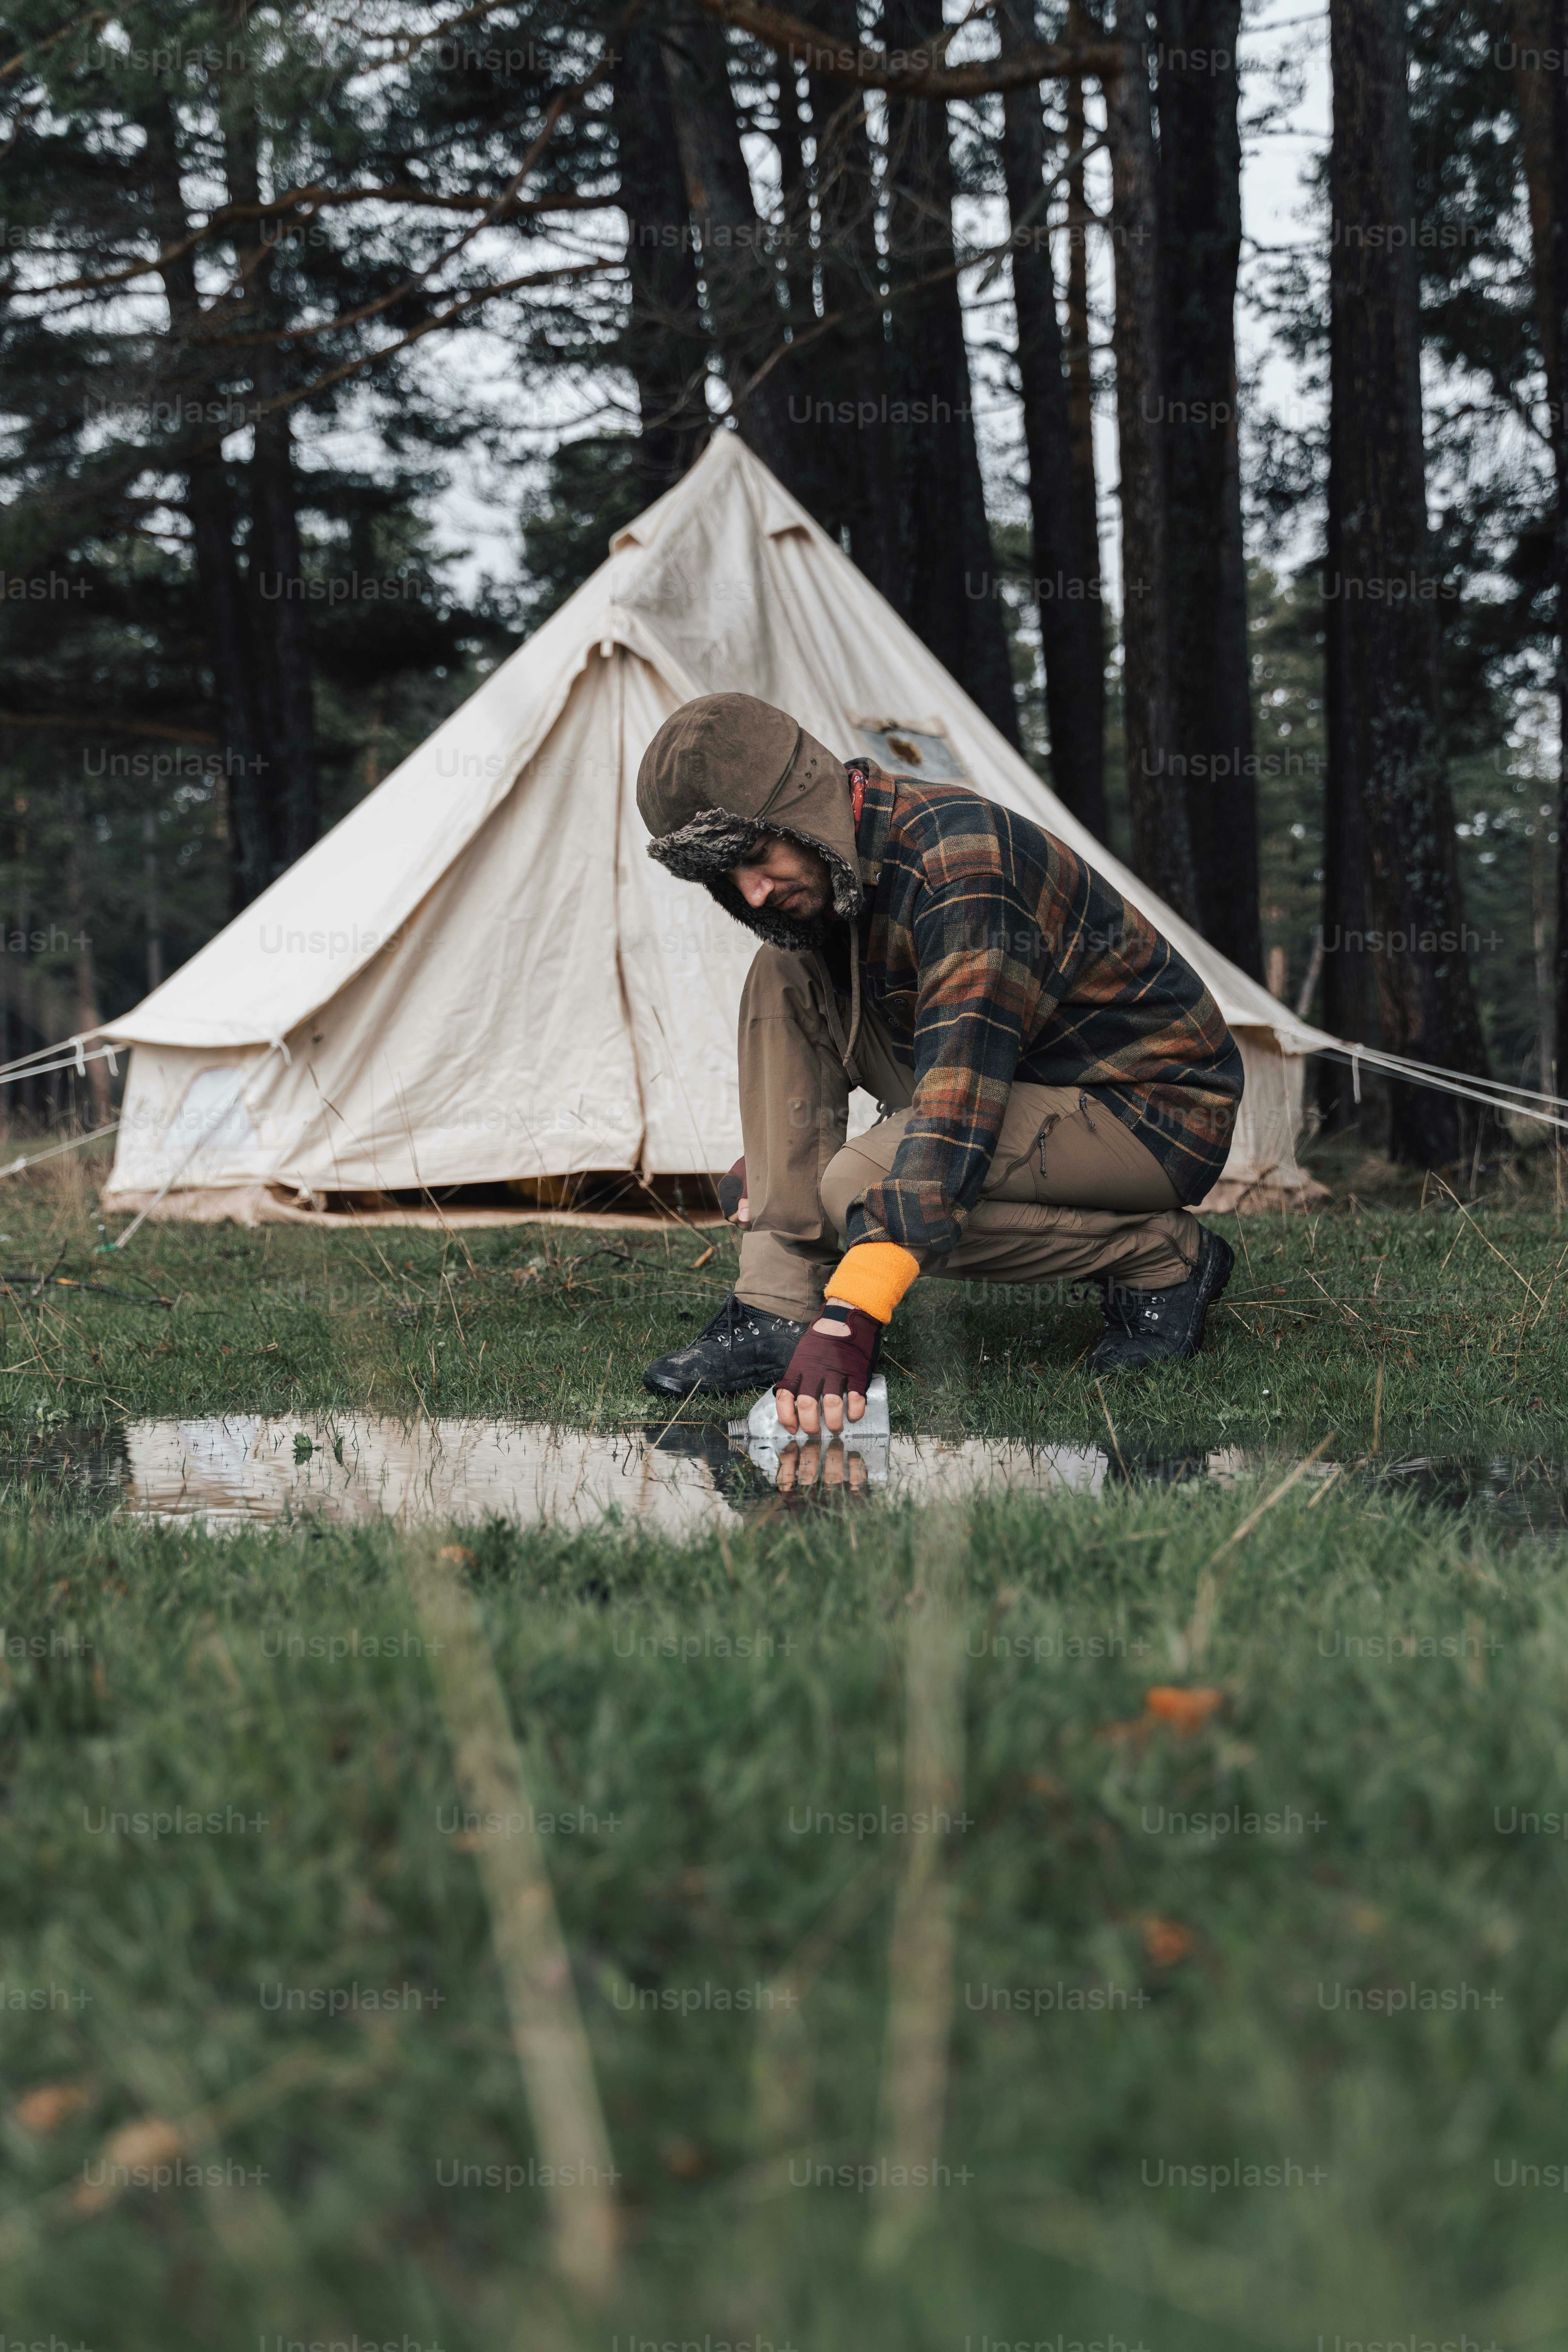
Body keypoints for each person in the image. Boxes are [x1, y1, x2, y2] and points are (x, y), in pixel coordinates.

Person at [638, 692, 1244, 1431]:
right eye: (727, 877)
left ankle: (1163, 1255)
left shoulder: (961, 864)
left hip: (1152, 1108)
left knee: (859, 1186)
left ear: (803, 805)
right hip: (1028, 1074)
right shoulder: (850, 866)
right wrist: (777, 1172)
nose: (753, 891)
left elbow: (957, 1113)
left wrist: (856, 1310)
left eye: (757, 858)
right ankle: (776, 1306)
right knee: (783, 969)